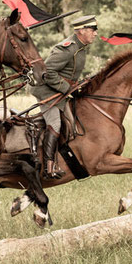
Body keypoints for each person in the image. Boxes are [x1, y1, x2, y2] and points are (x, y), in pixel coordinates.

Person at [30, 14, 99, 179]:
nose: (95, 33)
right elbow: (47, 72)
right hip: (46, 91)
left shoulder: (80, 47)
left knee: (73, 124)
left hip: (59, 92)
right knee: (55, 124)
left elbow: (68, 73)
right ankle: (48, 167)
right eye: (92, 29)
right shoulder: (68, 48)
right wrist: (68, 88)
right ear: (81, 30)